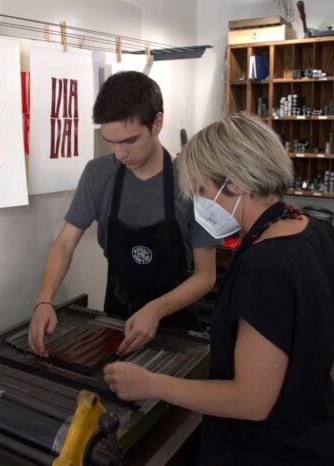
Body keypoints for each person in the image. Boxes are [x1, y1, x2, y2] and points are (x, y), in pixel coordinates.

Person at [103, 113, 334, 466]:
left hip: (267, 453)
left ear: (236, 183)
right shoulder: (325, 234)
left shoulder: (264, 265)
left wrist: (151, 384)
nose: (199, 201)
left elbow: (250, 401)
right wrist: (303, 394)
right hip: (319, 440)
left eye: (201, 190)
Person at [28, 71, 219, 358]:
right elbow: (65, 243)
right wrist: (44, 300)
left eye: (129, 141)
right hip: (116, 322)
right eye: (110, 142)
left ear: (157, 122)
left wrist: (155, 310)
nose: (119, 153)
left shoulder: (192, 182)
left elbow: (206, 276)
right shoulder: (98, 174)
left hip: (177, 330)